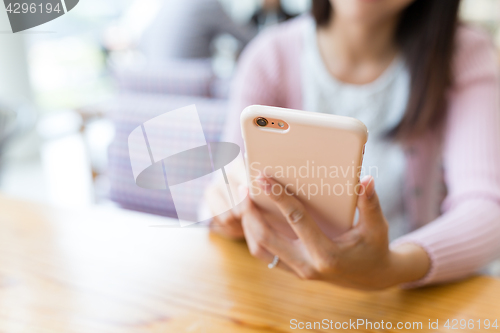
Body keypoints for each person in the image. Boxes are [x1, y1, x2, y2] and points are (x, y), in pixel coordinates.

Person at [205, 0, 500, 290]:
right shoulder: (269, 56)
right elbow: (224, 188)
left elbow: (487, 208)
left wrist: (395, 267)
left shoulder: (464, 53)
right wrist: (227, 211)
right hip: (290, 293)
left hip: (417, 299)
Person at [140, 0, 256, 61]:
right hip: (193, 85)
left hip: (159, 81)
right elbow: (250, 38)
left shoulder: (167, 3)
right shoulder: (209, 3)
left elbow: (143, 41)